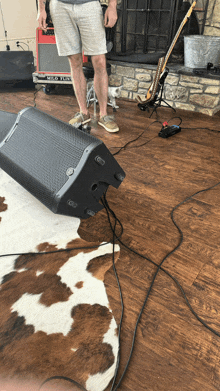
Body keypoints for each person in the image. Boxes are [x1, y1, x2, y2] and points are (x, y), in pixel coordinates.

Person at [37, 0, 119, 133]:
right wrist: (41, 9)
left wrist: (112, 6)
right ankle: (83, 113)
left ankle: (103, 115)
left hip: (89, 5)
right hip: (60, 6)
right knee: (74, 61)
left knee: (99, 61)